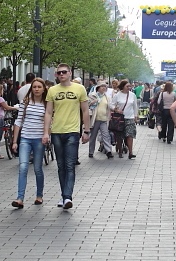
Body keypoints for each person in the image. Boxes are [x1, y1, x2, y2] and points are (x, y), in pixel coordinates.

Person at [44, 64, 90, 209]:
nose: (62, 74)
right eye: (59, 73)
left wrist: (86, 130)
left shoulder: (79, 89)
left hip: (72, 131)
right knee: (60, 165)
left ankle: (67, 197)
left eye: (64, 72)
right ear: (56, 75)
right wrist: (46, 132)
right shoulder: (52, 90)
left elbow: (85, 110)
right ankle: (64, 195)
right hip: (57, 131)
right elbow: (48, 112)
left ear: (70, 73)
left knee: (70, 165)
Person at [11, 78, 49, 209]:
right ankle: (20, 198)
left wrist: (46, 134)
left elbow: (48, 122)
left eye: (39, 87)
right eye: (34, 87)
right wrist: (15, 141)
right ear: (31, 89)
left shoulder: (46, 104)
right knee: (23, 167)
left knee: (38, 168)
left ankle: (39, 195)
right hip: (25, 138)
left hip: (39, 139)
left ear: (44, 89)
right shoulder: (25, 103)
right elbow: (18, 121)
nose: (37, 89)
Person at [110, 80, 139, 158]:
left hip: (130, 118)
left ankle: (130, 152)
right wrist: (116, 110)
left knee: (130, 135)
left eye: (130, 86)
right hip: (120, 118)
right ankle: (120, 151)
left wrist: (135, 116)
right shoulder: (117, 95)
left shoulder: (133, 95)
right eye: (127, 86)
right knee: (120, 136)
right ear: (122, 87)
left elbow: (135, 106)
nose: (129, 88)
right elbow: (111, 105)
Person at [88, 82, 113, 158]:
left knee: (106, 135)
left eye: (105, 86)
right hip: (95, 119)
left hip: (104, 119)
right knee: (93, 136)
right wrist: (94, 102)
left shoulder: (107, 97)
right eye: (102, 86)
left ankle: (108, 151)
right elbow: (88, 104)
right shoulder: (92, 95)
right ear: (98, 88)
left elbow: (110, 106)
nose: (104, 88)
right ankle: (91, 152)